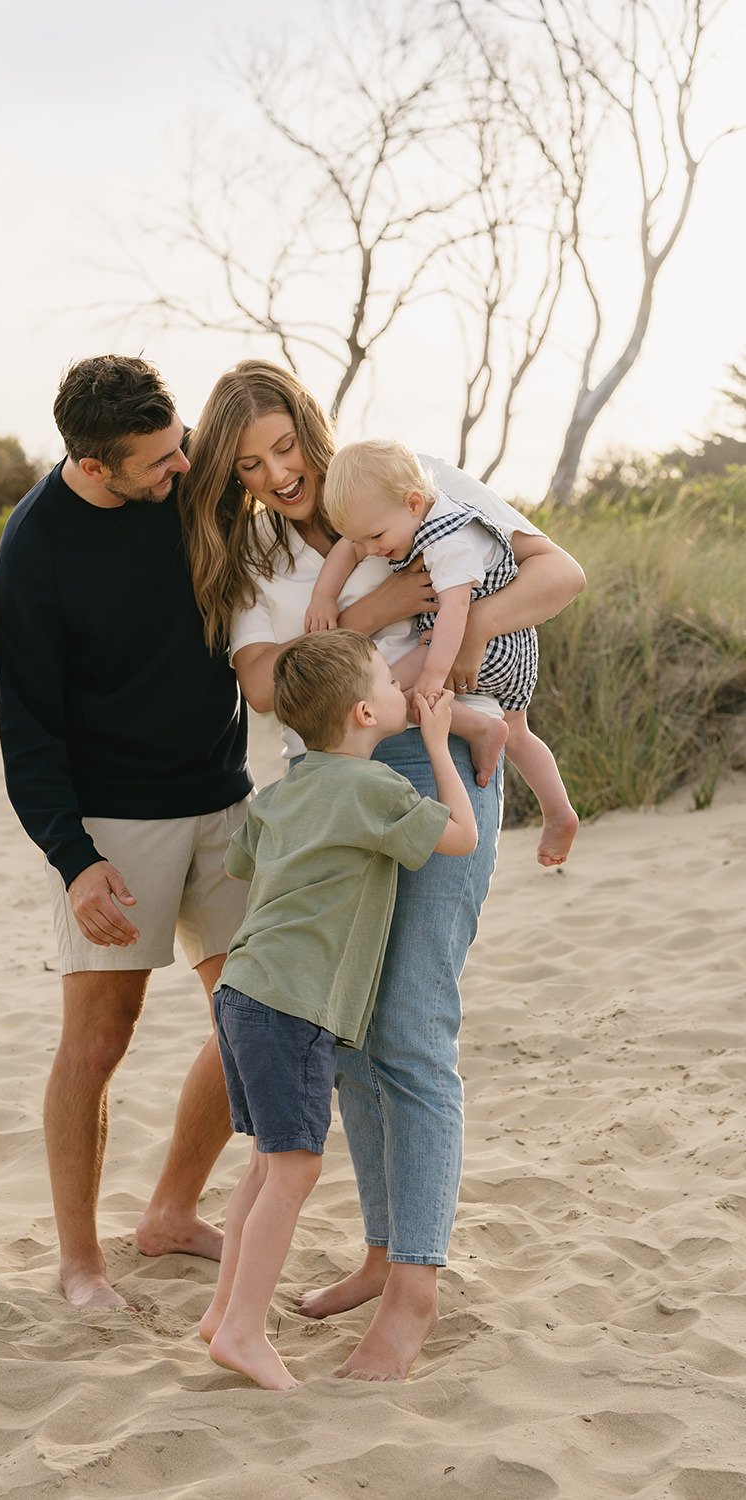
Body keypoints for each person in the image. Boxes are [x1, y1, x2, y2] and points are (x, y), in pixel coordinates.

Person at [179, 359, 586, 1380]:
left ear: (309, 427)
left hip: (438, 753)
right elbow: (272, 688)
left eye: (282, 445)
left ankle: (413, 1293)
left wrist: (449, 647)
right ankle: (374, 1253)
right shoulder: (259, 557)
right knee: (348, 1033)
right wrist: (381, 606)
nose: (276, 474)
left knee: (409, 1027)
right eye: (249, 465)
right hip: (333, 783)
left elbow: (554, 578)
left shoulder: (415, 481)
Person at [0, 354, 253, 1310]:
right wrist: (76, 861)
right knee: (99, 1043)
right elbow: (30, 729)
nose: (180, 469)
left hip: (225, 802)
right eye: (155, 461)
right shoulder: (35, 549)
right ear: (95, 466)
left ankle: (171, 1215)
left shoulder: (191, 490)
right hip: (110, 823)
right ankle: (80, 1264)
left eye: (179, 446)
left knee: (256, 1018)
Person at [201, 631, 477, 1391]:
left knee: (264, 1165)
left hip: (242, 990)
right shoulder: (372, 790)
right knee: (296, 1169)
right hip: (293, 1004)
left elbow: (242, 862)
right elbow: (462, 835)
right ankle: (244, 1332)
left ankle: (223, 1311)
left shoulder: (284, 789)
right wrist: (436, 741)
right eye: (390, 682)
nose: (400, 686)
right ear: (365, 711)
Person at [313, 438, 578, 866]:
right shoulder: (399, 516)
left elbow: (457, 613)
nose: (372, 551)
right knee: (519, 730)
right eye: (363, 541)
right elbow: (349, 546)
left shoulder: (450, 540)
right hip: (506, 640)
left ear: (414, 503)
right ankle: (558, 810)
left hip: (489, 642)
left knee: (394, 693)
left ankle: (477, 727)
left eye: (377, 538)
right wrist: (323, 597)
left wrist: (434, 676)